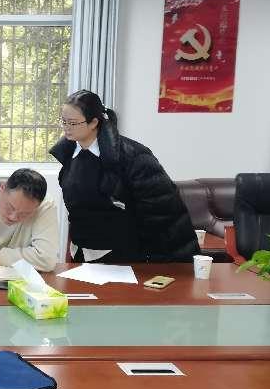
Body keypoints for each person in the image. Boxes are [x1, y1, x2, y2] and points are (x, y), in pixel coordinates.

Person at [50, 89, 199, 263]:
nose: (66, 127)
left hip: (123, 257)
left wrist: (164, 263)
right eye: (64, 121)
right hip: (80, 254)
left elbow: (163, 214)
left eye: (73, 123)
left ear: (93, 122)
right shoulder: (69, 154)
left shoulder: (134, 156)